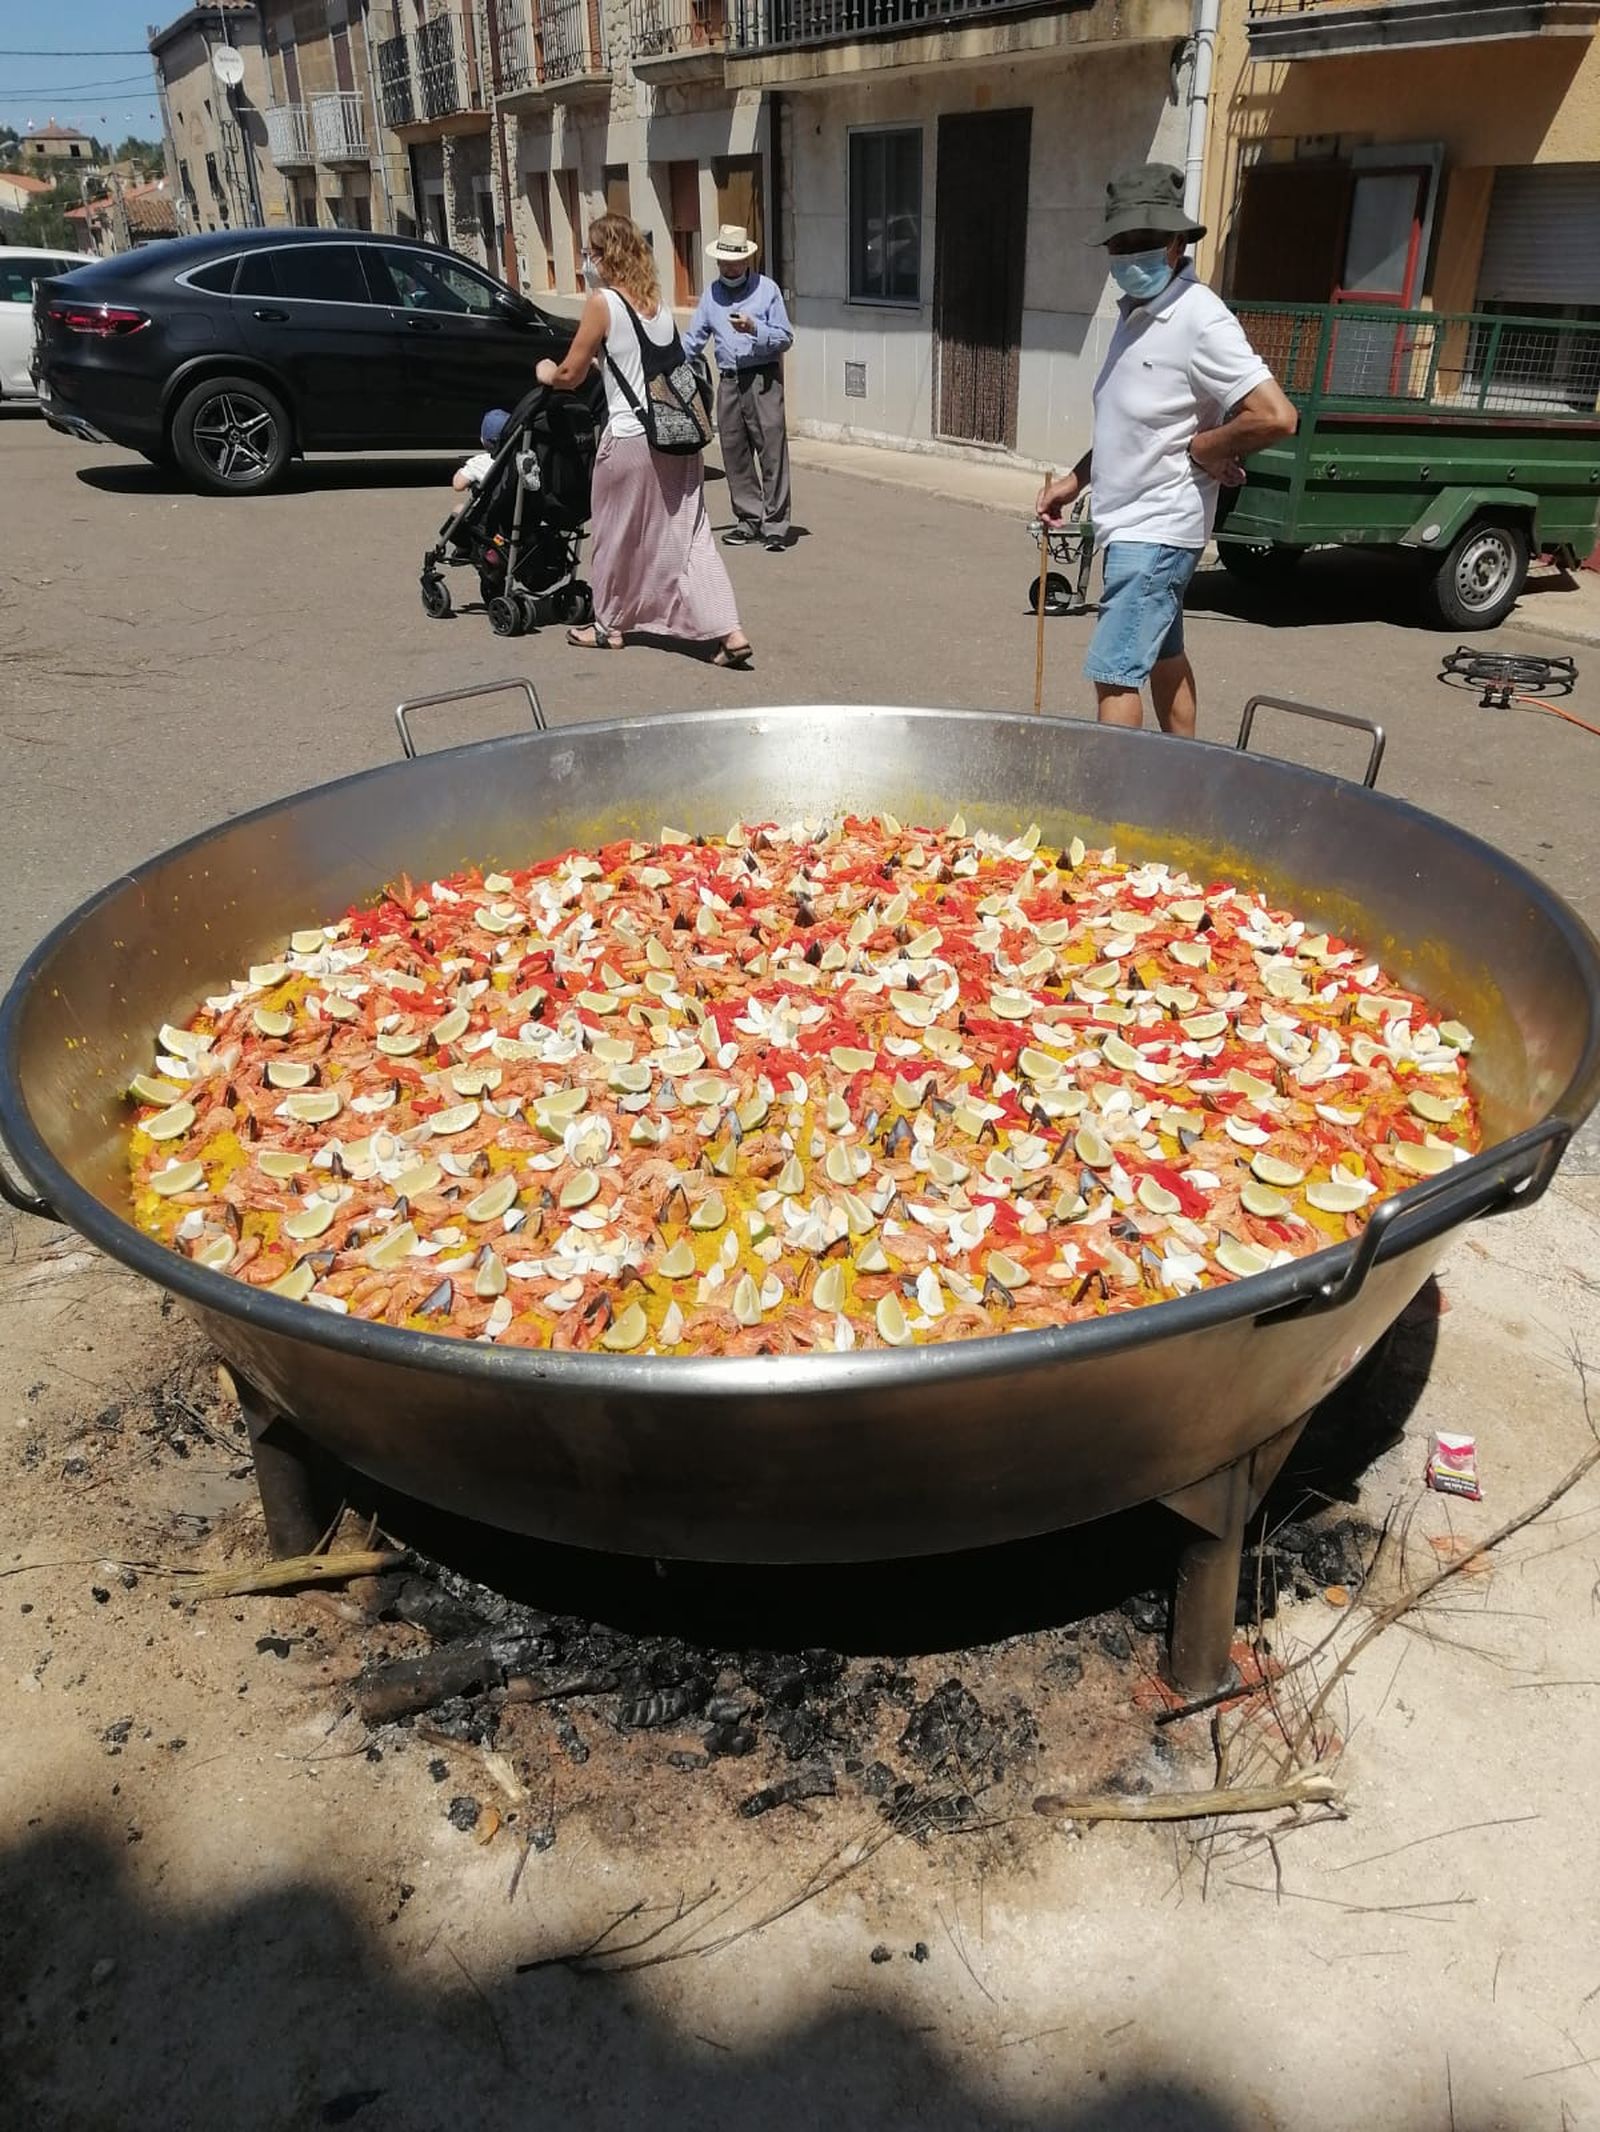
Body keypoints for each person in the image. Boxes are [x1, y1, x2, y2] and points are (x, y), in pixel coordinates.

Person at [1036, 162, 1297, 739]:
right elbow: (1132, 424)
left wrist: (1209, 445)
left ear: (1177, 243)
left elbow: (1276, 415)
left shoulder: (1200, 318)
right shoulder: (1135, 316)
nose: (1130, 255)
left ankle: (1123, 815)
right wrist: (1076, 482)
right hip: (1129, 524)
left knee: (1114, 673)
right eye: (1120, 243)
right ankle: (1187, 777)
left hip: (1155, 529)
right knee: (1163, 654)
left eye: (1144, 242)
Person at [535, 213, 753, 666]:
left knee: (614, 534)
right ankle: (730, 632)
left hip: (632, 439)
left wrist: (545, 373)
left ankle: (609, 626)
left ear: (604, 255)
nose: (586, 262)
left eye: (590, 253)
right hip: (678, 437)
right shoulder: (658, 303)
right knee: (691, 538)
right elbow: (645, 367)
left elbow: (570, 374)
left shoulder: (603, 302)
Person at [683, 224, 794, 553]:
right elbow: (694, 339)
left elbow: (785, 337)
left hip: (763, 378)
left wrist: (755, 328)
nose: (729, 269)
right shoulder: (712, 294)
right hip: (729, 380)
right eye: (724, 263)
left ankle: (776, 525)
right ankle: (748, 520)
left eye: (735, 262)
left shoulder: (767, 290)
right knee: (735, 452)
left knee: (772, 451)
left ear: (747, 260)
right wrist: (666, 359)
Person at [450, 406, 508, 511]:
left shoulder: (479, 462)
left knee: (458, 509)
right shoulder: (523, 460)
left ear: (482, 440)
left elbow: (458, 485)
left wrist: (460, 471)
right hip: (520, 516)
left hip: (490, 516)